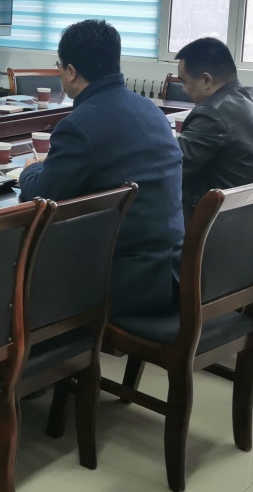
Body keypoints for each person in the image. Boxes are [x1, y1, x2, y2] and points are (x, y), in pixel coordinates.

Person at [17, 20, 184, 316]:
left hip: (124, 280)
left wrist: (29, 169)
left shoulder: (79, 125)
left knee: (11, 259)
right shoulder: (150, 110)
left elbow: (42, 195)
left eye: (59, 66)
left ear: (71, 71)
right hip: (172, 269)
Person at [175, 37, 253, 268]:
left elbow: (173, 168)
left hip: (246, 248)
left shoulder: (212, 113)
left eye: (184, 82)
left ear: (206, 80)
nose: (183, 89)